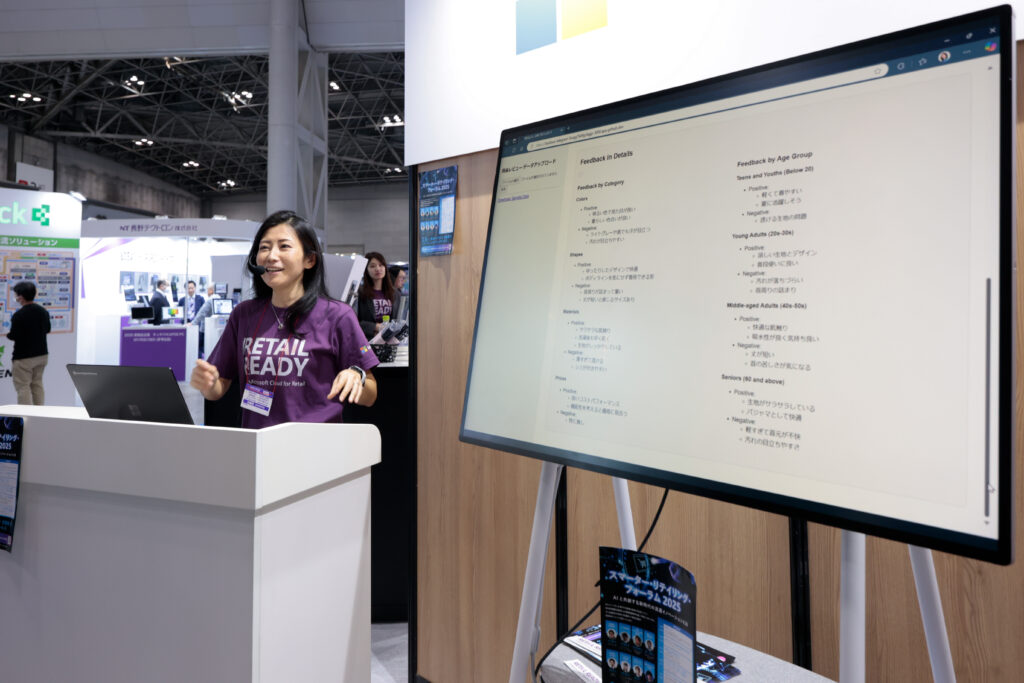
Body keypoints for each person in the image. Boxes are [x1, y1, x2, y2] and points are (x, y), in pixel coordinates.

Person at [190, 210, 378, 429]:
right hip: (259, 449)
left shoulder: (337, 315)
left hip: (316, 450)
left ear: (309, 259)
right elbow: (218, 386)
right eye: (264, 247)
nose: (271, 255)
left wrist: (357, 378)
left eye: (284, 246)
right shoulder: (244, 314)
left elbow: (371, 394)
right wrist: (208, 384)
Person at [7, 281, 51, 405]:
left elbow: (14, 335)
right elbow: (47, 329)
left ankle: (26, 416)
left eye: (16, 294)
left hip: (23, 358)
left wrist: (8, 335)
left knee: (23, 387)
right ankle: (39, 413)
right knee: (37, 384)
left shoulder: (18, 315)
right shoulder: (43, 311)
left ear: (20, 297)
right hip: (42, 355)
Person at [355, 251, 398, 338]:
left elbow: (399, 319)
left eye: (381, 265)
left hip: (389, 341)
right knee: (365, 352)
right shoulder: (360, 293)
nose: (378, 269)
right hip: (367, 342)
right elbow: (354, 322)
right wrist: (375, 327)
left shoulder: (395, 293)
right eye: (372, 266)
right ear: (366, 270)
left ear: (385, 268)